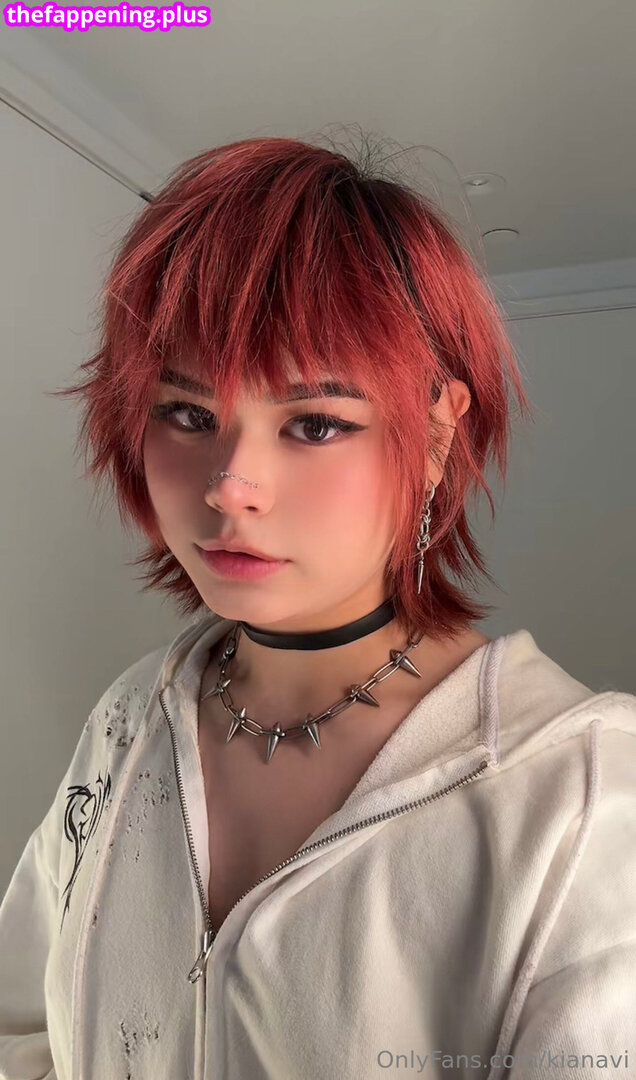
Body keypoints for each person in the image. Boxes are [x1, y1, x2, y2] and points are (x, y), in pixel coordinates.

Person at [1, 134, 634, 1080]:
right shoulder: (131, 720)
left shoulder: (579, 795)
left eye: (314, 423)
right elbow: (23, 1031)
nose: (230, 484)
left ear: (435, 436)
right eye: (188, 413)